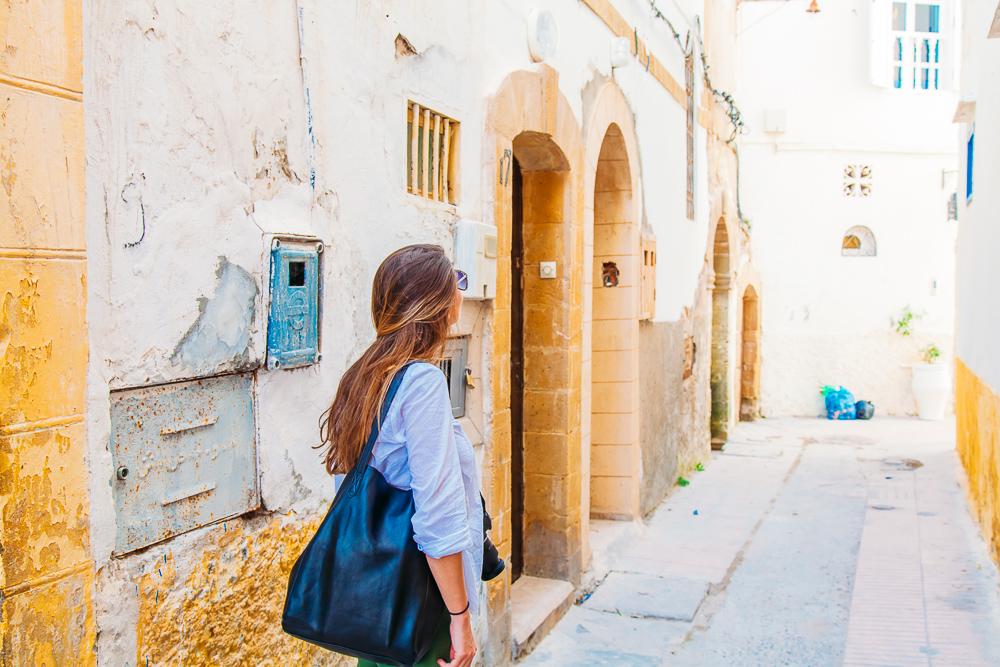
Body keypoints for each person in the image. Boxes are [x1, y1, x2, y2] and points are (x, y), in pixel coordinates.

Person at [319, 244, 482, 667]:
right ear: (438, 304)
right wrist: (460, 617)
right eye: (456, 281)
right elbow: (437, 517)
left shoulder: (362, 377)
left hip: (378, 603)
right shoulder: (422, 382)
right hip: (419, 607)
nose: (460, 290)